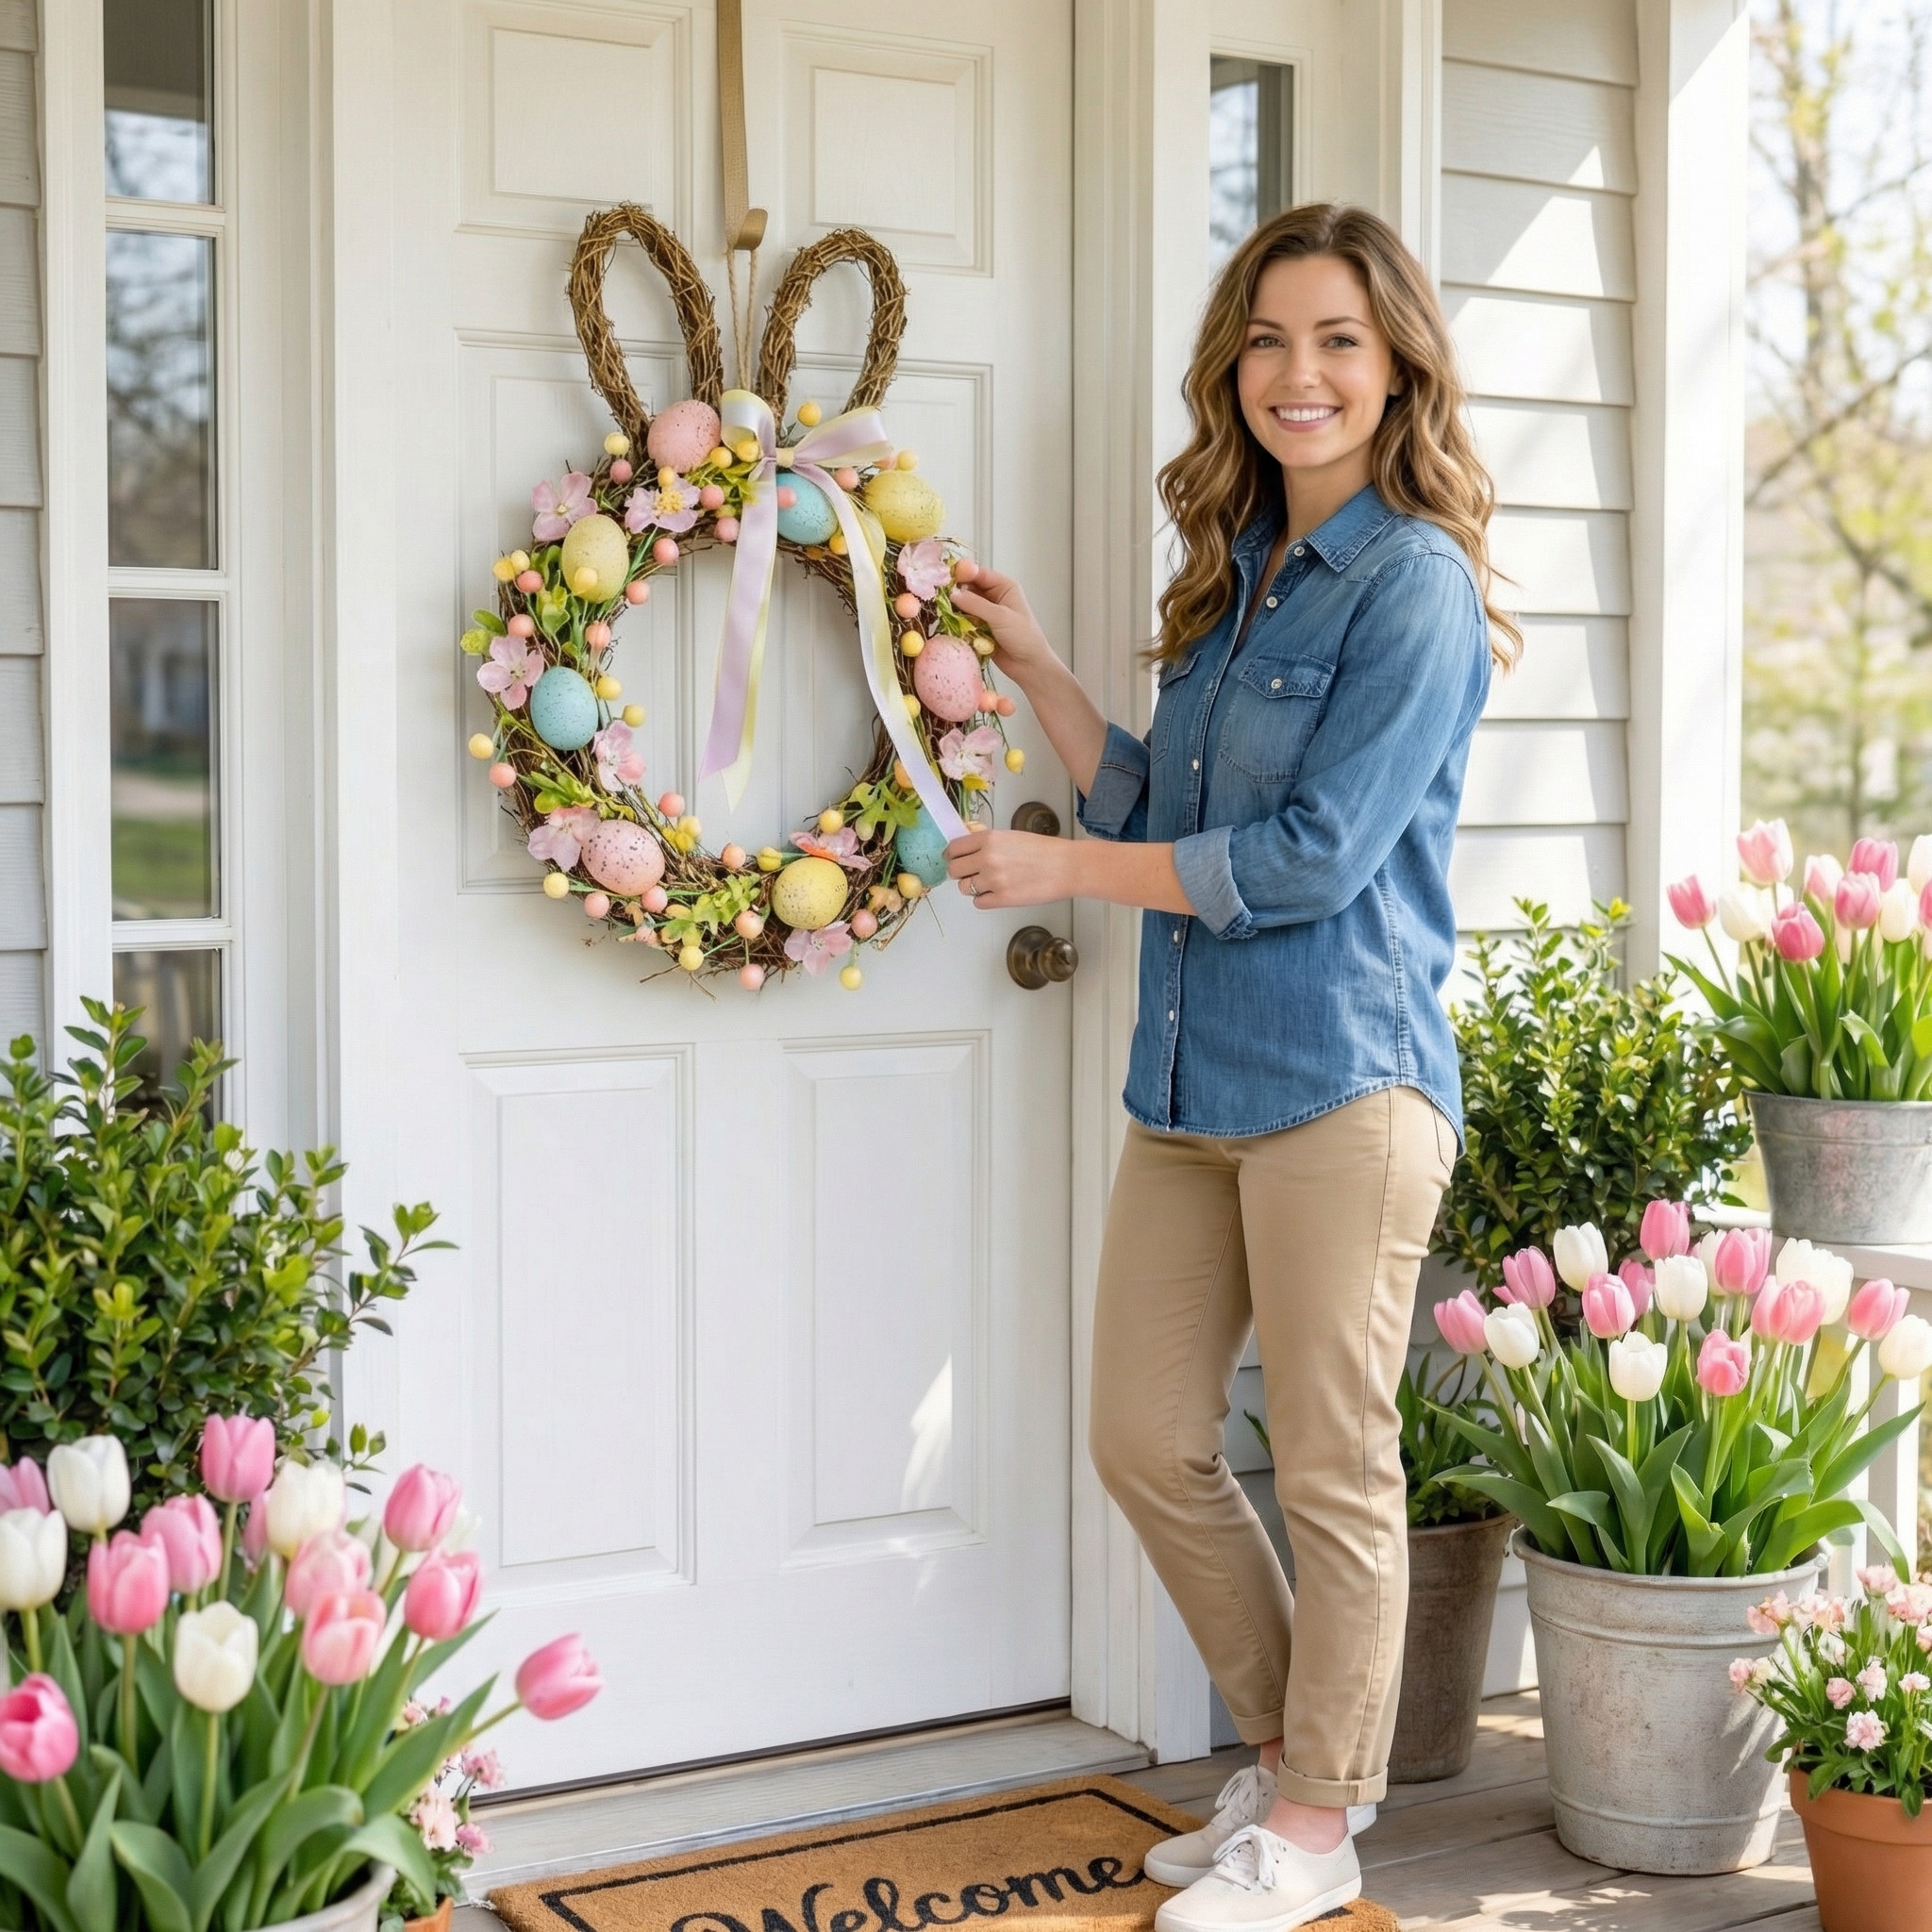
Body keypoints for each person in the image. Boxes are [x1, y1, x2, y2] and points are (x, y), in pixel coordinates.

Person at [942, 202, 1519, 1932]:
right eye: (1269, 340)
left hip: (1347, 1082)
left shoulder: (1412, 585)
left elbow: (1313, 857)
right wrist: (1040, 664)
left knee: (1337, 1466)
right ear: (1235, 369)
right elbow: (1165, 808)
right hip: (1190, 1088)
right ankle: (1287, 1762)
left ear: (1398, 360)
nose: (1300, 374)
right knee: (1145, 1437)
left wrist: (1061, 877)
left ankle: (1324, 1831)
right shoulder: (1241, 567)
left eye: (1339, 338)